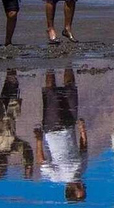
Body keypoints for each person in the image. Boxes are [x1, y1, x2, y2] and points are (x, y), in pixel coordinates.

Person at [34, 68, 88, 202]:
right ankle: (67, 61)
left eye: (80, 191)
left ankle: (50, 64)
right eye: (83, 190)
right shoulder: (82, 170)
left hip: (53, 129)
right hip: (69, 124)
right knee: (70, 89)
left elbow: (42, 162)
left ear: (71, 190)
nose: (84, 188)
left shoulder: (57, 177)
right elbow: (83, 148)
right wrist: (82, 129)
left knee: (51, 91)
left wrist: (39, 140)